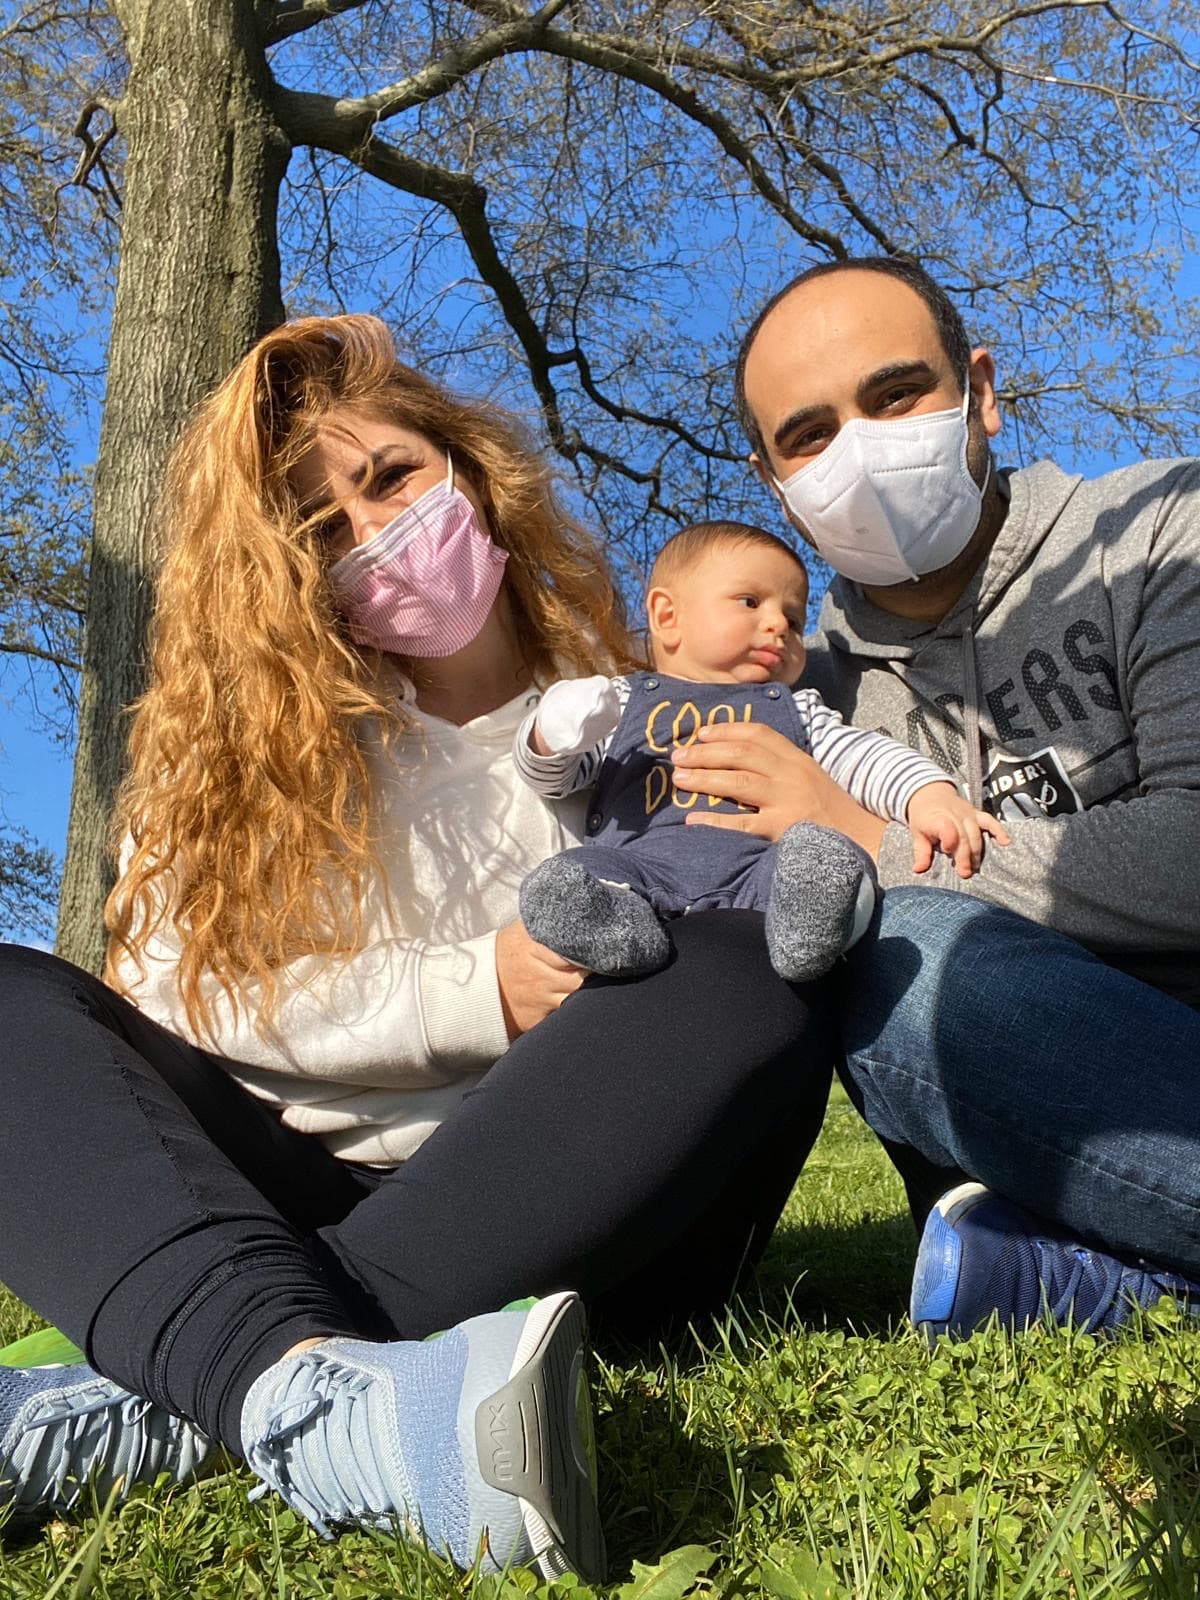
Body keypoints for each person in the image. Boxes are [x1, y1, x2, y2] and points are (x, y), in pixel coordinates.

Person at [0, 315, 838, 1571]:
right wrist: (479, 992)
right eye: (321, 526)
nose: (375, 529)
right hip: (306, 1176)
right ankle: (331, 1402)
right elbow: (183, 995)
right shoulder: (234, 753)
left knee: (746, 962)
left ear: (469, 470)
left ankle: (203, 1370)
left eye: (391, 475)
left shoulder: (635, 709)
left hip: (598, 1196)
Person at [693, 253, 1200, 1341]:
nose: (861, 451)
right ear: (771, 479)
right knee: (889, 969)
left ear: (980, 390)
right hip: (987, 1093)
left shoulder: (1160, 528)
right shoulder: (798, 692)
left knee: (900, 930)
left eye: (894, 395)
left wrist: (866, 835)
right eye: (809, 435)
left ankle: (1109, 1273)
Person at [515, 520, 1005, 982]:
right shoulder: (622, 702)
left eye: (793, 620)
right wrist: (553, 733)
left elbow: (863, 757)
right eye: (750, 601)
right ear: (667, 616)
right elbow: (558, 778)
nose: (779, 626)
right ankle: (610, 930)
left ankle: (810, 933)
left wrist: (928, 794)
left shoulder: (796, 709)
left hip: (761, 873)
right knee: (582, 876)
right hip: (642, 871)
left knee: (823, 864)